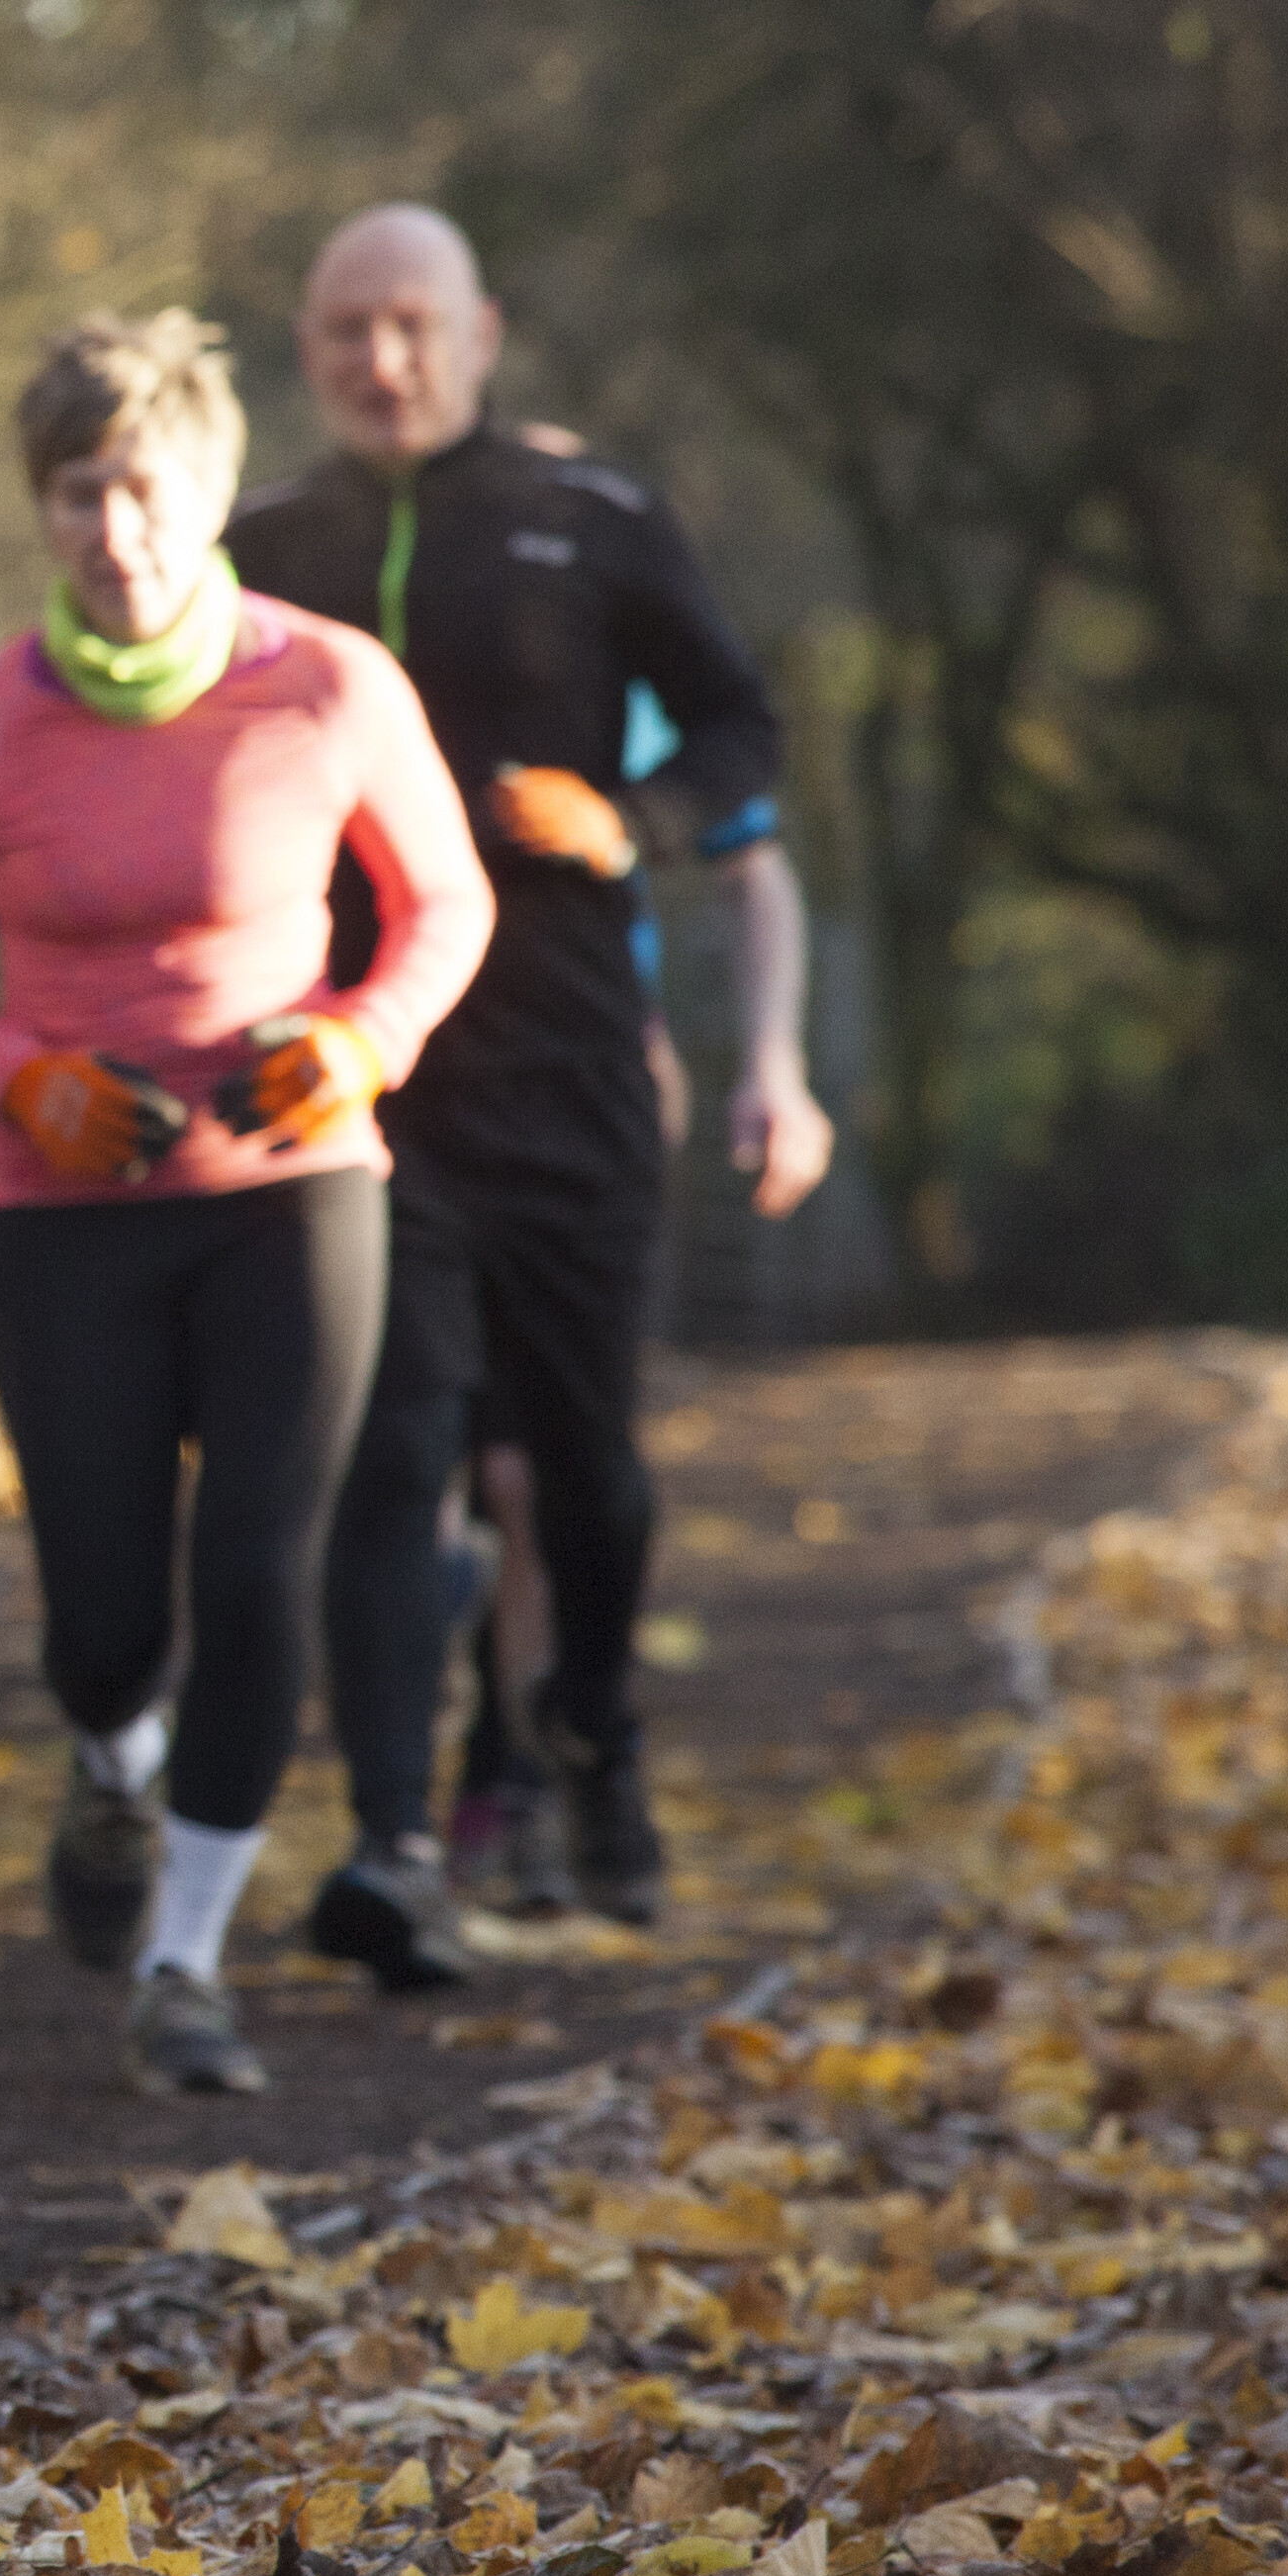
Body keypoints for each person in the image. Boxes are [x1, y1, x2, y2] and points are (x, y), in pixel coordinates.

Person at [0, 313, 490, 2096]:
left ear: (210, 487)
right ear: (42, 507)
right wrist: (19, 1078)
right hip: (62, 1207)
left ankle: (186, 1962)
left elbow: (445, 909)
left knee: (260, 1566)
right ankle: (112, 1764)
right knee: (103, 1613)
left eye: (142, 485)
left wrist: (363, 1042)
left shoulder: (329, 682)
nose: (114, 529)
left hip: (293, 1188)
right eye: (78, 492)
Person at [227, 206, 830, 1966]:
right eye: (347, 329)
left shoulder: (597, 521)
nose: (382, 360)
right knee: (397, 1449)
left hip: (567, 1067)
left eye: (414, 326)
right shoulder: (257, 546)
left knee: (585, 1472)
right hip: (358, 1075)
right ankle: (400, 1832)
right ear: (306, 342)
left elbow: (742, 729)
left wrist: (627, 819)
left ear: (483, 332)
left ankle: (600, 1749)